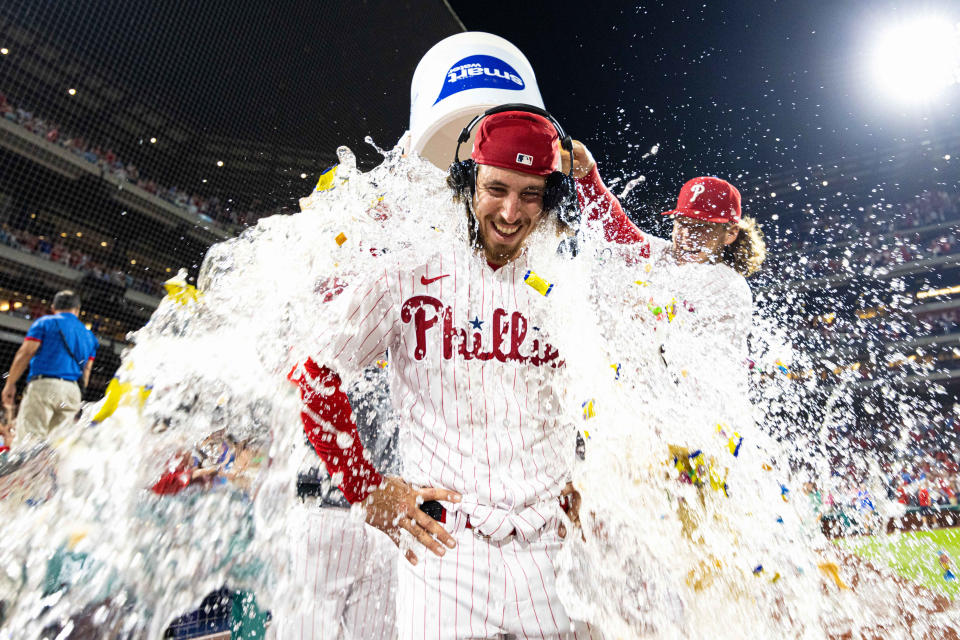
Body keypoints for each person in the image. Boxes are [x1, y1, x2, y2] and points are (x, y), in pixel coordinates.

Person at [291, 107, 595, 639]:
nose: (510, 210)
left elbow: (604, 396)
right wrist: (365, 487)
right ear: (466, 181)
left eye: (530, 194)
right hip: (446, 547)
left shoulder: (567, 288)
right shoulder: (408, 271)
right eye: (496, 187)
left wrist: (592, 476)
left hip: (552, 549)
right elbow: (315, 370)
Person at [2, 290, 98, 444]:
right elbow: (86, 371)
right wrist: (78, 395)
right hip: (72, 392)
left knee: (29, 441)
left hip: (45, 387)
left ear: (53, 307)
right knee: (57, 446)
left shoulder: (46, 322)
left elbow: (25, 353)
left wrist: (10, 383)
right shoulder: (89, 336)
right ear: (77, 310)